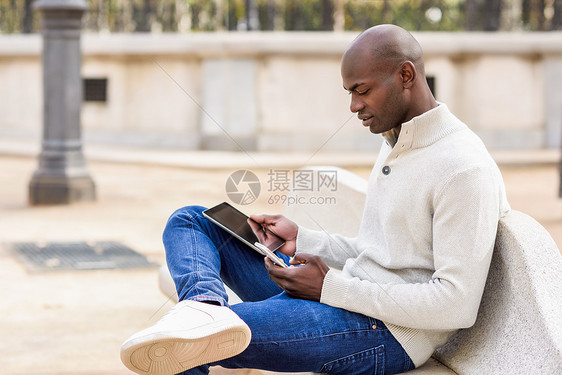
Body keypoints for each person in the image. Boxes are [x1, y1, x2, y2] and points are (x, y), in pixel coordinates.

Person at [120, 24, 510, 375]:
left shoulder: (462, 168)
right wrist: (300, 240)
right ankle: (203, 305)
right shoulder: (397, 141)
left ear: (405, 75)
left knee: (190, 341)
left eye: (362, 90)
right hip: (347, 297)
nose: (354, 106)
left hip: (387, 335)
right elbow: (379, 252)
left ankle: (201, 320)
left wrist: (330, 288)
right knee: (192, 220)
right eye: (351, 92)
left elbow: (456, 303)